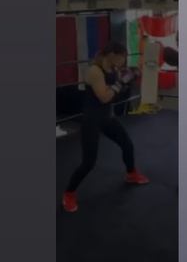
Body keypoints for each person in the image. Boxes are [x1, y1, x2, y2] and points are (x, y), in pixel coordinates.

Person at [63, 42, 149, 213]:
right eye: (121, 58)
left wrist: (128, 80)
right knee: (89, 163)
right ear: (111, 55)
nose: (123, 61)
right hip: (91, 120)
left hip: (106, 118)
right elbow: (104, 97)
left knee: (127, 144)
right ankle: (69, 193)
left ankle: (131, 173)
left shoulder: (113, 70)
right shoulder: (94, 71)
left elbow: (114, 96)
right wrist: (120, 83)